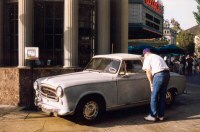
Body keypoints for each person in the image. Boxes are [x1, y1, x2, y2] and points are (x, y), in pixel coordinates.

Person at [142, 48, 170, 122]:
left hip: (159, 75)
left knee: (154, 95)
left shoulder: (147, 58)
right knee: (162, 96)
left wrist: (151, 84)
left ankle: (153, 115)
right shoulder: (157, 56)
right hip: (167, 74)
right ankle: (161, 116)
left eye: (144, 55)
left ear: (145, 54)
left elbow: (148, 71)